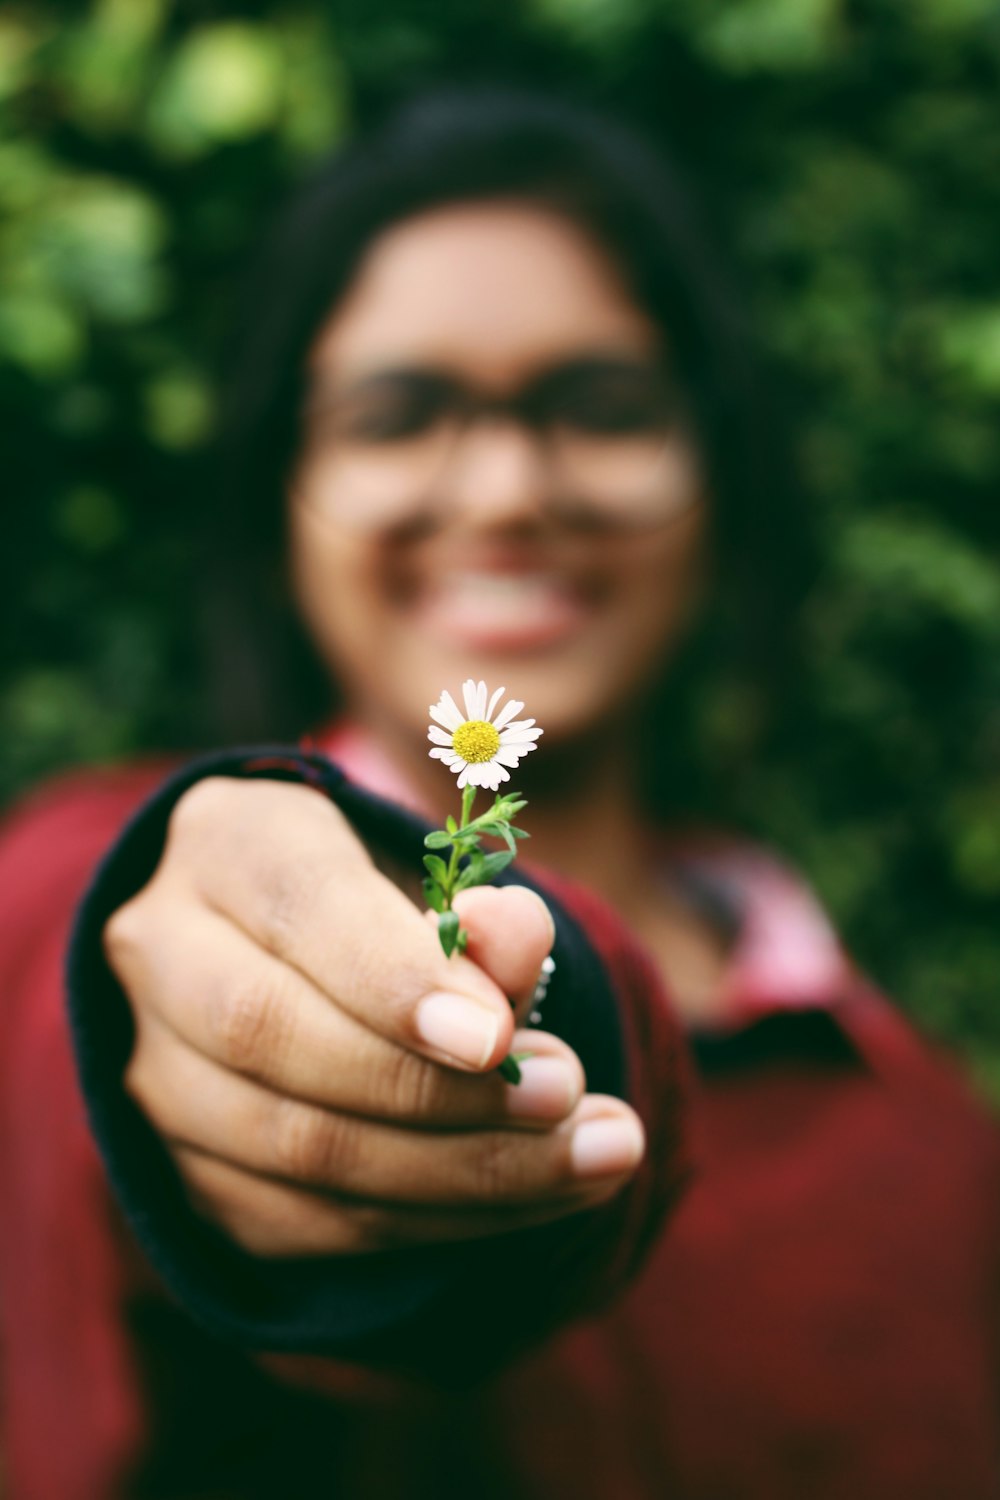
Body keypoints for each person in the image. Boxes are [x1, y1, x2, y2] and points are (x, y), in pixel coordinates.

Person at [1, 87, 997, 1500]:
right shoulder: (83, 895)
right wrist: (182, 1061)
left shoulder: (932, 1142)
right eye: (396, 416)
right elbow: (81, 999)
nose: (508, 488)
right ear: (281, 489)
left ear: (717, 472)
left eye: (602, 407)